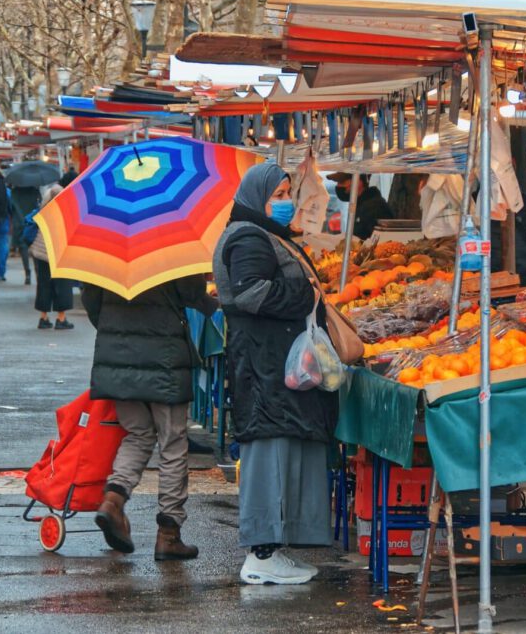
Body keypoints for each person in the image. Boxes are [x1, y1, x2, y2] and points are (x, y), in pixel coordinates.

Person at [212, 163, 338, 585]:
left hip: (274, 363)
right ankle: (261, 554)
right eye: (278, 195)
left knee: (283, 447)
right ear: (256, 198)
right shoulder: (248, 236)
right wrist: (306, 292)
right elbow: (251, 292)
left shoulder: (262, 233)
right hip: (265, 367)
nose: (286, 202)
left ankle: (273, 550)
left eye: (287, 193)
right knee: (269, 451)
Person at [84, 276, 217, 561]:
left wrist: (118, 334)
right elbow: (190, 292)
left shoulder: (105, 247)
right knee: (172, 442)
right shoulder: (170, 243)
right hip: (164, 356)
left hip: (117, 357)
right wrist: (212, 303)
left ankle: (113, 500)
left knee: (139, 434)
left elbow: (92, 303)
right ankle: (169, 535)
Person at [29, 182, 74, 329]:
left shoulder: (43, 211)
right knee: (63, 285)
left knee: (44, 284)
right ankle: (61, 318)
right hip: (59, 253)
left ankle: (43, 317)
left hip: (41, 253)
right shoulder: (65, 211)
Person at [330, 172, 394, 239]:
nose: (338, 186)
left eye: (342, 182)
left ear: (358, 182)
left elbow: (383, 240)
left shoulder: (374, 207)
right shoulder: (360, 204)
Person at [8, 183, 41, 285]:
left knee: (23, 248)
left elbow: (10, 208)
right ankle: (37, 273)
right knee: (35, 248)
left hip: (19, 223)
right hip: (32, 222)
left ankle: (27, 273)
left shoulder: (14, 192)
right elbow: (39, 205)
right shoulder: (35, 190)